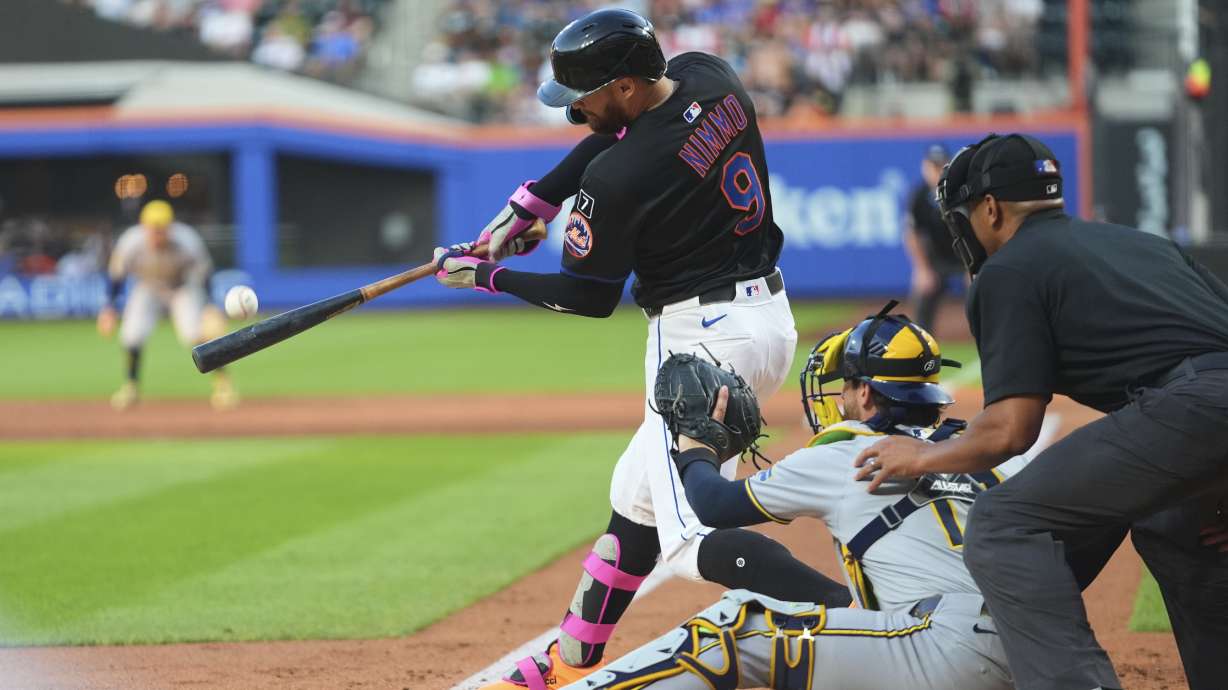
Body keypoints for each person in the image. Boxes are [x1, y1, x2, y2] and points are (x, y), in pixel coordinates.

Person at [431, 9, 859, 689]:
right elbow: (615, 139)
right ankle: (568, 660)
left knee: (689, 535)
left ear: (626, 85)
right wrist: (537, 201)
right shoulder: (705, 76)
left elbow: (589, 294)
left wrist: (487, 275)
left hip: (695, 343)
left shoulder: (621, 178)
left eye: (586, 97)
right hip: (765, 321)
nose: (577, 111)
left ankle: (854, 619)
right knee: (635, 497)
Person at [854, 133, 1228, 690]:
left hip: (1189, 409)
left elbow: (1012, 429)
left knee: (1005, 524)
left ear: (990, 208)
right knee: (1173, 522)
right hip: (1201, 412)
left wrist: (923, 456)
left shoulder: (1007, 270)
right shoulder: (1142, 243)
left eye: (961, 216)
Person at [558, 308, 1014, 690]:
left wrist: (696, 448)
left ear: (868, 395)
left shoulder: (849, 455)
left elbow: (715, 506)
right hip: (1029, 651)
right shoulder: (989, 457)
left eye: (847, 386)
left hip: (942, 653)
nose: (840, 398)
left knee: (733, 627)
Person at [96, 200, 236, 411]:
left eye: (162, 229)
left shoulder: (187, 239)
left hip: (182, 287)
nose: (158, 234)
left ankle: (223, 385)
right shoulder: (131, 242)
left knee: (195, 335)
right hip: (148, 288)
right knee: (132, 335)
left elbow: (205, 274)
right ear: (144, 227)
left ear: (170, 227)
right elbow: (116, 276)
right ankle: (131, 387)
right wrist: (108, 308)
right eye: (153, 229)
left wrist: (209, 306)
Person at [902, 144, 964, 331]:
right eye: (933, 166)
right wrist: (922, 269)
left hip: (966, 253)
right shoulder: (919, 195)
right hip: (935, 257)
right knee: (923, 295)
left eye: (941, 165)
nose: (936, 171)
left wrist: (977, 267)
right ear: (925, 166)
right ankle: (923, 348)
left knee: (980, 295)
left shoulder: (961, 191)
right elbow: (912, 233)